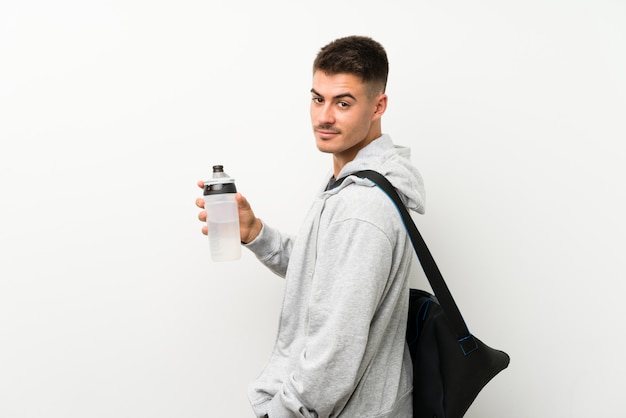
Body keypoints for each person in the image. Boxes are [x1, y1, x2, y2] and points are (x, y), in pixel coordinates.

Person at [196, 35, 425, 418]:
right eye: (318, 99)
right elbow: (325, 275)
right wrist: (256, 233)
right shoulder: (351, 185)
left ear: (377, 106)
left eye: (343, 102)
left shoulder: (362, 207)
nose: (324, 117)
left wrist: (285, 411)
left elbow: (336, 348)